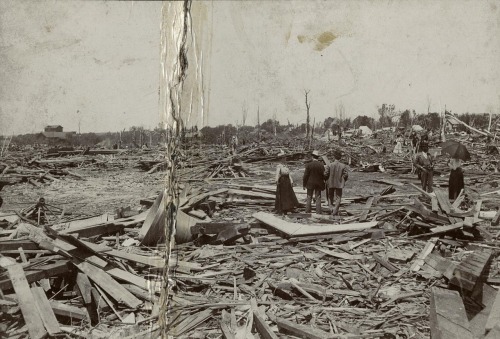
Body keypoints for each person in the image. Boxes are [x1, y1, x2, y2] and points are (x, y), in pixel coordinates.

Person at [325, 151, 349, 216]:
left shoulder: (330, 165)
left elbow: (326, 174)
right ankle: (335, 211)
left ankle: (331, 209)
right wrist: (342, 180)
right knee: (338, 197)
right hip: (339, 183)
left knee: (330, 196)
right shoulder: (343, 165)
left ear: (334, 157)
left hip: (330, 183)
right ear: (340, 158)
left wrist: (327, 180)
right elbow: (346, 175)